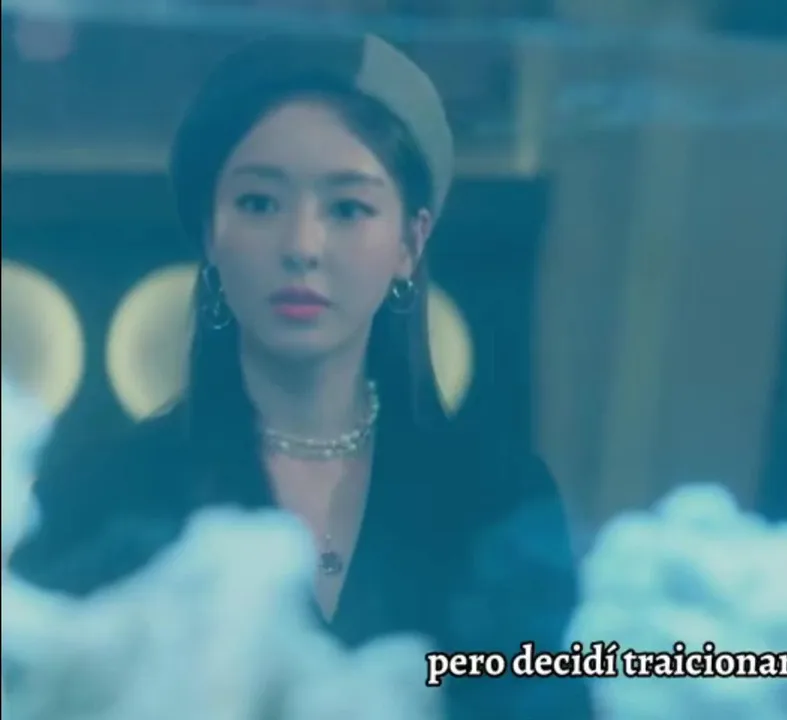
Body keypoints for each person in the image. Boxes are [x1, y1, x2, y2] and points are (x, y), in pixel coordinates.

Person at [6, 34, 588, 719]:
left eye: (347, 208)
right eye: (259, 204)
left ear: (410, 241)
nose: (302, 247)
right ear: (211, 233)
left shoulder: (498, 500)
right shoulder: (103, 496)